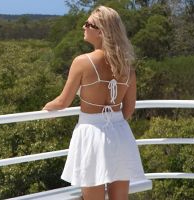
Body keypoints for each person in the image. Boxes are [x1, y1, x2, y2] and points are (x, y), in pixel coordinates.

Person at [41, 5, 146, 200]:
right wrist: (113, 121)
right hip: (120, 133)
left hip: (91, 133)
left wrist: (46, 108)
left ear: (101, 31)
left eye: (88, 24)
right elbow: (129, 109)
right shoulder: (127, 65)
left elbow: (63, 102)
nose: (83, 27)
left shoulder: (82, 62)